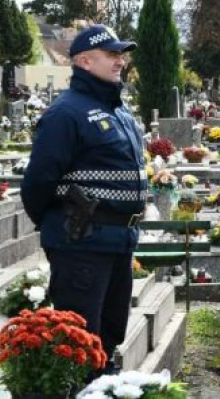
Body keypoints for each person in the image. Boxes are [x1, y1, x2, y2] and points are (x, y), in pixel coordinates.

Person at [21, 24, 145, 376]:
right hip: (82, 244)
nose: (120, 61)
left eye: (121, 54)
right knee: (80, 342)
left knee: (109, 336)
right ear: (85, 61)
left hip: (119, 242)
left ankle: (104, 388)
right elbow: (37, 183)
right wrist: (60, 227)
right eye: (111, 54)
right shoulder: (66, 114)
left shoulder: (119, 111)